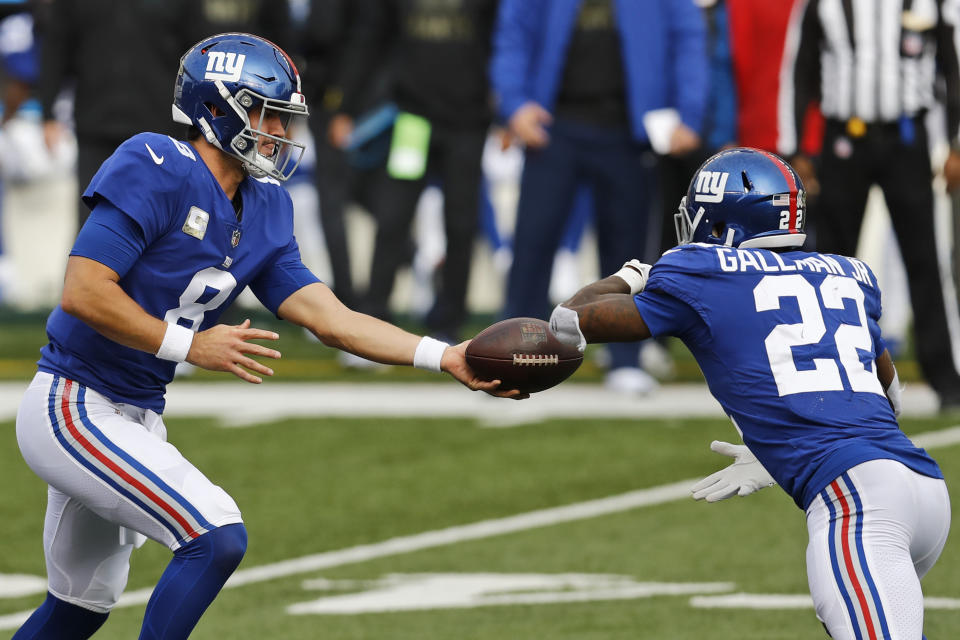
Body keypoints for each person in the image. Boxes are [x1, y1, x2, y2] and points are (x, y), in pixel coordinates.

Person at [13, 33, 522, 640]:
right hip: (74, 402)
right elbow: (83, 291)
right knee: (216, 536)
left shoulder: (265, 206)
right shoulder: (156, 163)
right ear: (219, 108)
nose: (281, 131)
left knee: (79, 607)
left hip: (136, 411)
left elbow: (332, 319)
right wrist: (190, 347)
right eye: (269, 113)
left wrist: (449, 356)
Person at [549, 148, 951, 639]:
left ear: (722, 227)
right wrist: (784, 439)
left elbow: (568, 320)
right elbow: (888, 395)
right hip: (922, 487)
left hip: (858, 501)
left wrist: (636, 273)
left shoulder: (700, 271)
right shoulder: (849, 272)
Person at [490, 0, 707, 395]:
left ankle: (624, 360)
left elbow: (688, 38)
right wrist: (515, 103)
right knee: (532, 247)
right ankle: (511, 359)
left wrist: (690, 113)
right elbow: (513, 33)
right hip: (553, 127)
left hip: (628, 131)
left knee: (627, 256)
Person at [779, 0, 960, 410]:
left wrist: (955, 142)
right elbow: (797, 69)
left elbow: (953, 67)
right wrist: (795, 150)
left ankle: (946, 378)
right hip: (844, 139)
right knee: (830, 266)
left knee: (925, 261)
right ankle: (824, 375)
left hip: (906, 138)